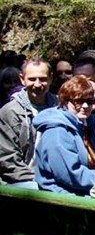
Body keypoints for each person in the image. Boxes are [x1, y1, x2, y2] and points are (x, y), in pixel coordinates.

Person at [32, 76, 95, 195]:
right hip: (60, 197)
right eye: (78, 102)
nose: (84, 106)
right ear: (65, 101)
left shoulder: (87, 125)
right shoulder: (57, 132)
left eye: (89, 101)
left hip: (86, 190)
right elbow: (71, 174)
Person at [0, 58, 57, 188]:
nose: (37, 85)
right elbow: (8, 160)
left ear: (51, 79)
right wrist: (39, 179)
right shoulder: (9, 113)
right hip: (22, 180)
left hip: (57, 177)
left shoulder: (60, 107)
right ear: (22, 79)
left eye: (42, 79)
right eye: (32, 79)